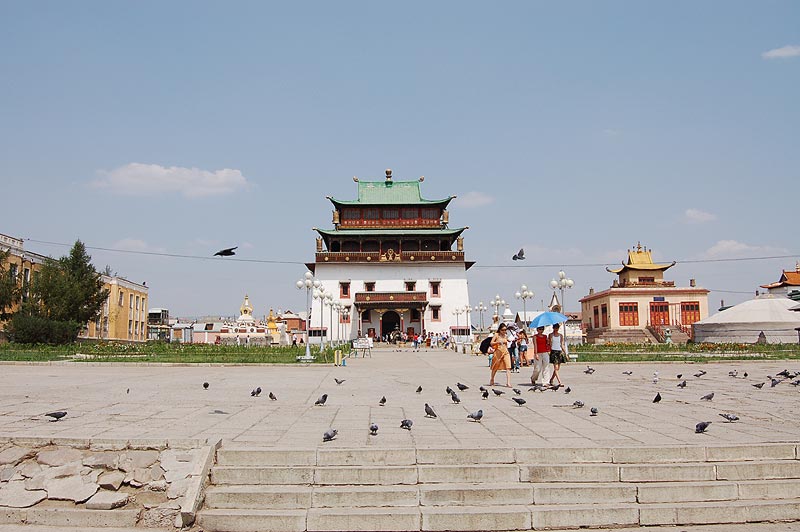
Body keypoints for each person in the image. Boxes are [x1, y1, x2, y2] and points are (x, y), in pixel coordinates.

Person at [489, 323, 512, 387]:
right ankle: (492, 379)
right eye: (502, 330)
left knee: (508, 367)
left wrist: (508, 341)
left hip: (505, 352)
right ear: (499, 330)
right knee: (495, 367)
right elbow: (491, 343)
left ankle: (508, 382)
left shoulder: (506, 335)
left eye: (505, 330)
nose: (504, 331)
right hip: (498, 352)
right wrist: (498, 342)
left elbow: (507, 342)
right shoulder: (496, 335)